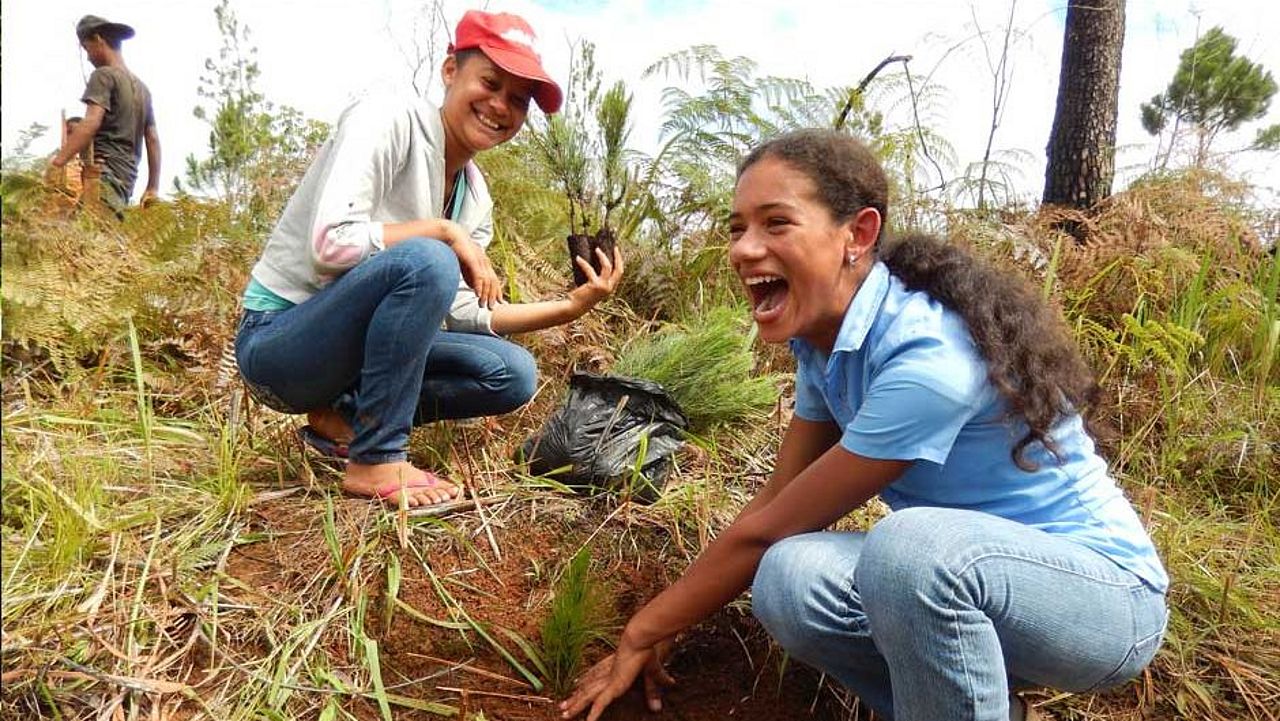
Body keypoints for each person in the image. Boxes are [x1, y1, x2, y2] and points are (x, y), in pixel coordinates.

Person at [561, 129, 1167, 721]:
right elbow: (776, 507)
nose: (745, 248)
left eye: (776, 222)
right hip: (973, 589)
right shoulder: (825, 343)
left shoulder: (927, 356)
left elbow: (770, 525)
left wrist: (646, 629)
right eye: (738, 227)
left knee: (908, 550)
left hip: (1106, 602)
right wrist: (668, 623)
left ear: (858, 233)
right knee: (787, 578)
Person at [234, 10, 624, 508]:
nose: (500, 105)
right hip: (279, 345)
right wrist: (445, 233)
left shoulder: (474, 195)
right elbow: (330, 245)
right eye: (490, 82)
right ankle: (376, 460)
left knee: (511, 373)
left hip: (345, 362)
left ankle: (343, 419)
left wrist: (571, 306)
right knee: (429, 259)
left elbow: (460, 312)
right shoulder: (388, 117)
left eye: (517, 99)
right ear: (449, 71)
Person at [49, 14, 161, 215]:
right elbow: (152, 139)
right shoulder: (143, 90)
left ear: (98, 39)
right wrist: (152, 188)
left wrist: (58, 162)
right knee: (97, 237)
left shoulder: (103, 75)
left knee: (78, 238)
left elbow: (91, 122)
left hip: (103, 177)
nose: (88, 56)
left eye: (87, 48)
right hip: (126, 183)